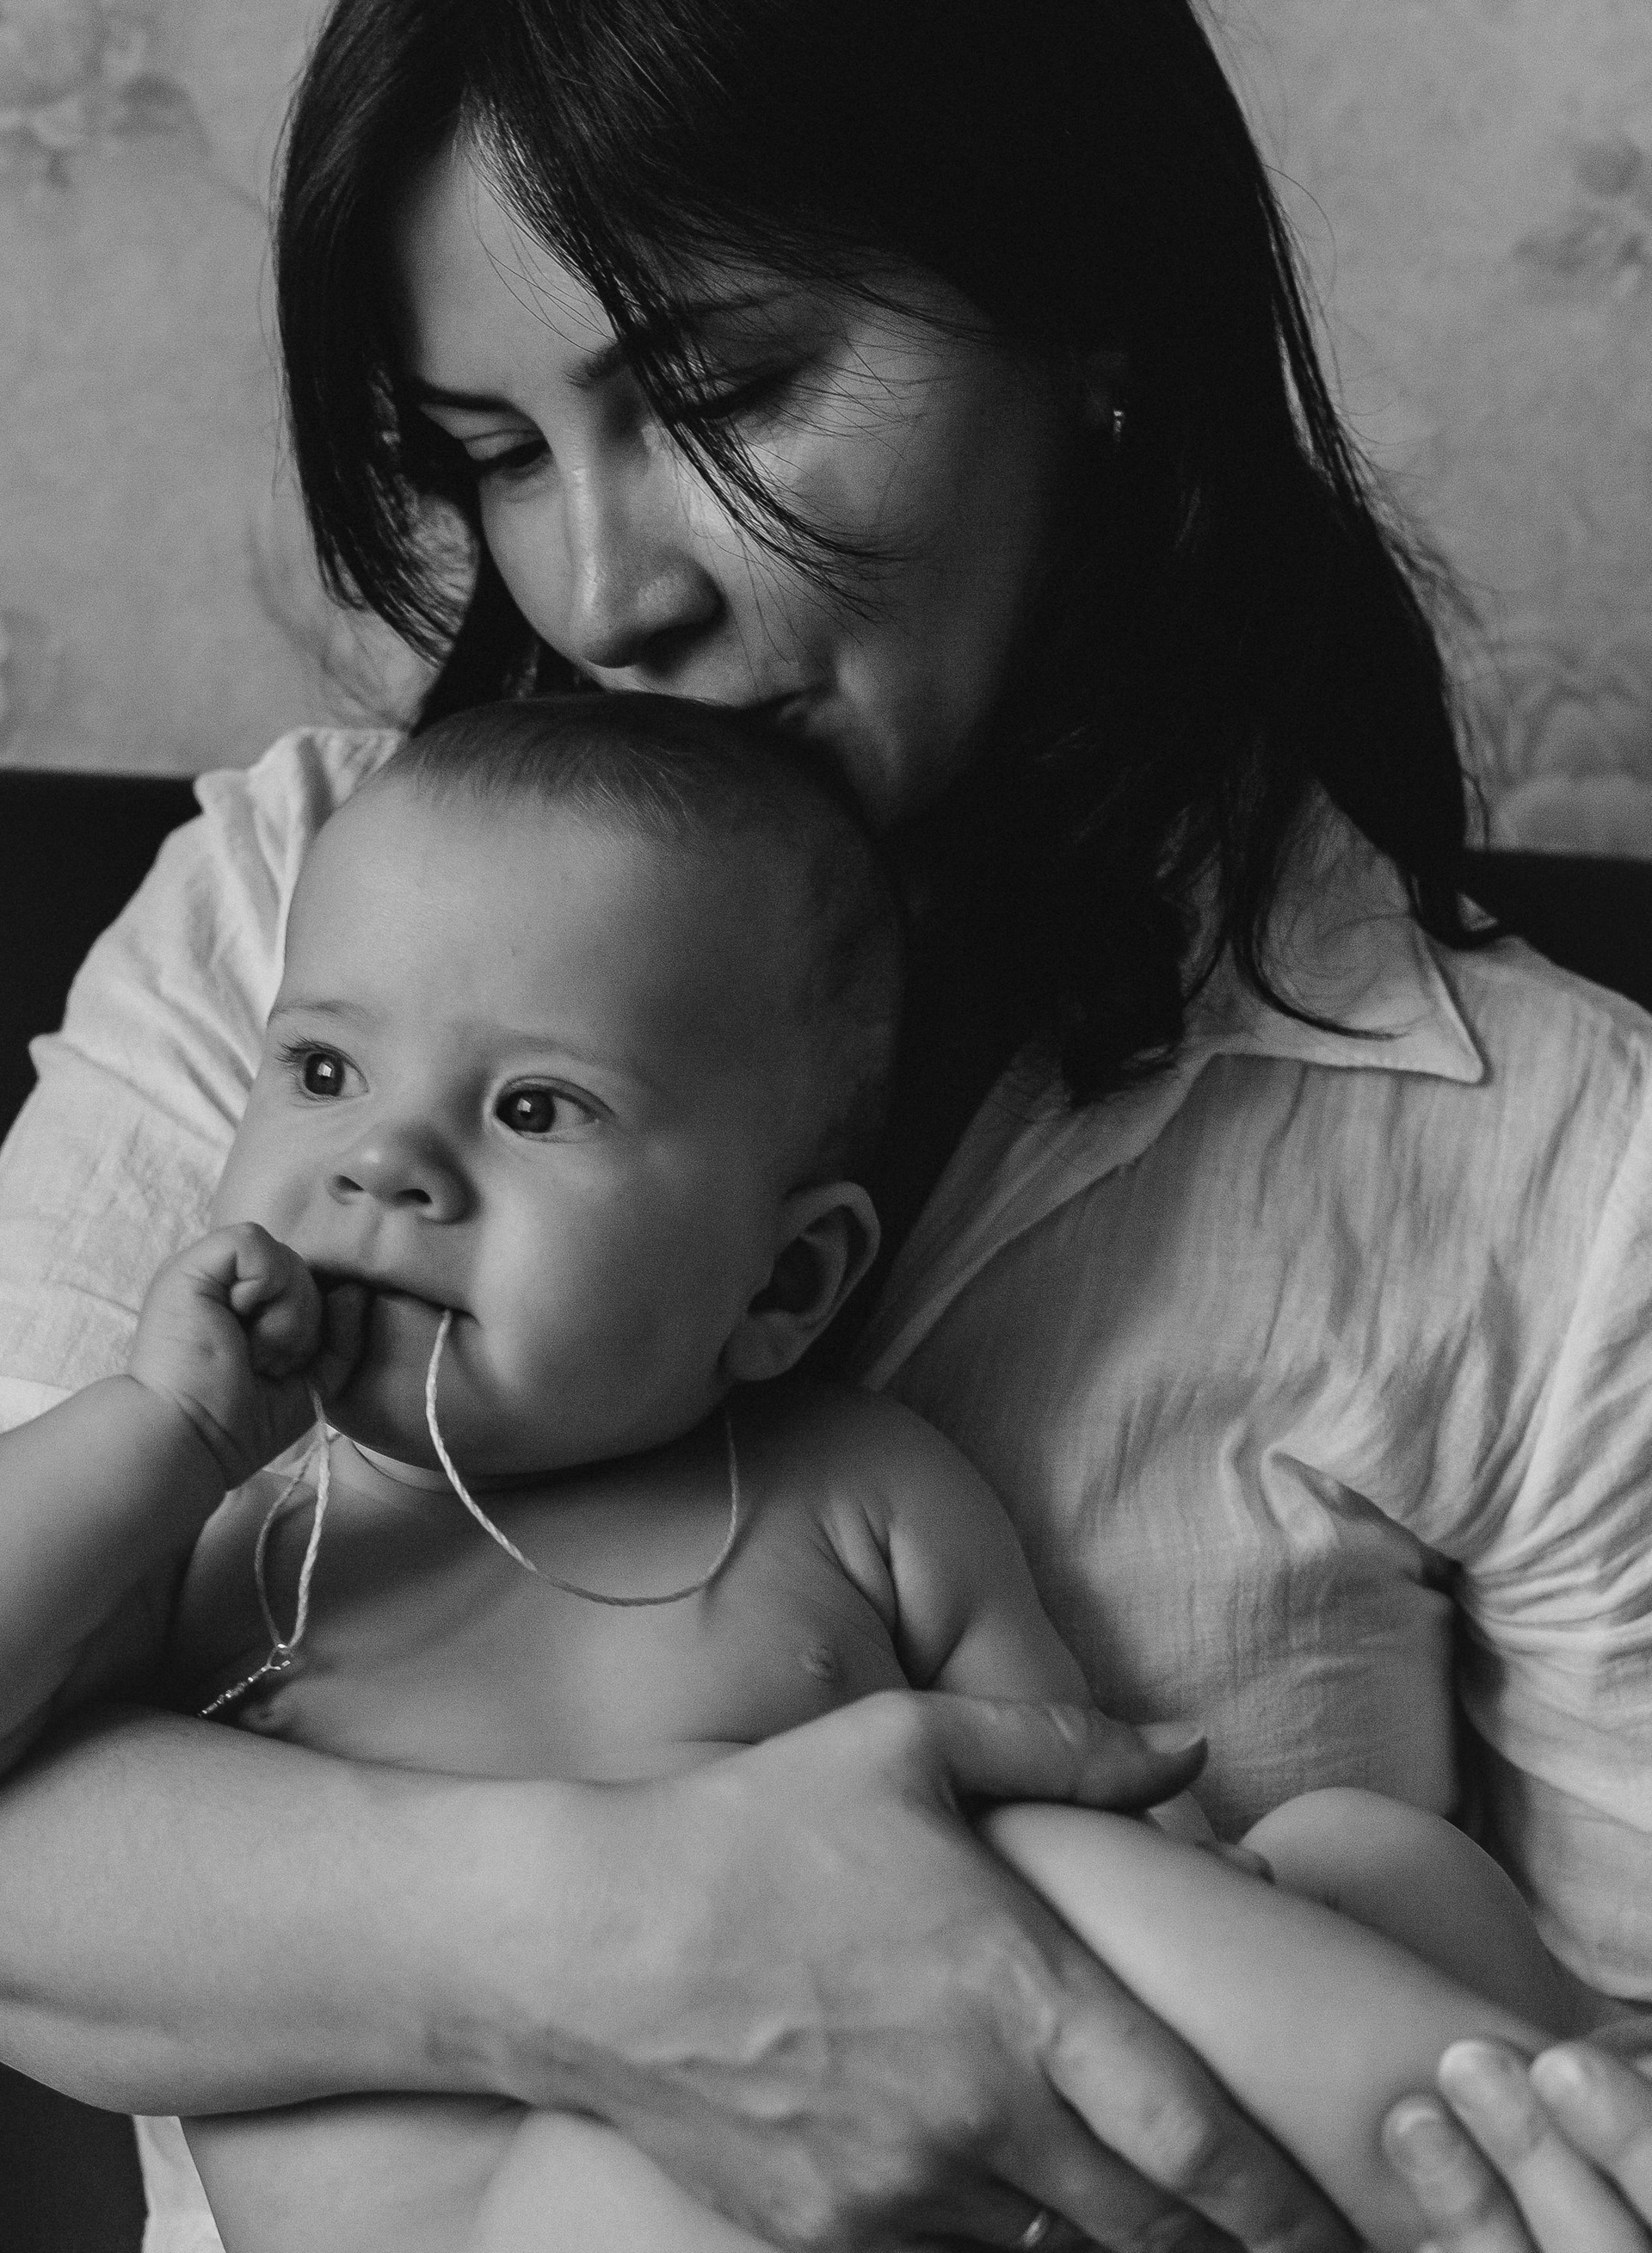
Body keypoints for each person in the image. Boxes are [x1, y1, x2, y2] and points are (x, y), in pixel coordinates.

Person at [0, 0, 1649, 2253]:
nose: (601, 588)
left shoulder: (1553, 1166)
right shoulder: (298, 929)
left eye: (723, 390)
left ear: (1088, 315)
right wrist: (665, 1947)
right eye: (491, 457)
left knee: (1357, 1879)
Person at [0, 694, 1583, 2253]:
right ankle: (1573, 2157)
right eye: (321, 1070)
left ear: (786, 1281)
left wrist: (1235, 1918)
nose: (382, 1158)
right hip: (536, 2215)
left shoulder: (851, 1486)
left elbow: (1087, 1796)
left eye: (534, 1106)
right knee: (1015, 1887)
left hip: (910, 2164)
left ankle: (1537, 2161)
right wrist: (161, 1431)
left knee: (1371, 1860)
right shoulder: (220, 1516)